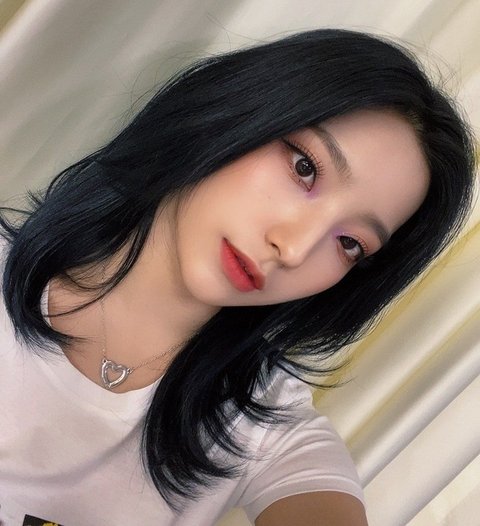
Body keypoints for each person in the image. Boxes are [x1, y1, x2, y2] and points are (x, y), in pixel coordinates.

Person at [0, 28, 475, 526]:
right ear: (237, 111)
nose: (293, 248)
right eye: (305, 168)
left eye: (349, 243)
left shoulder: (267, 429)